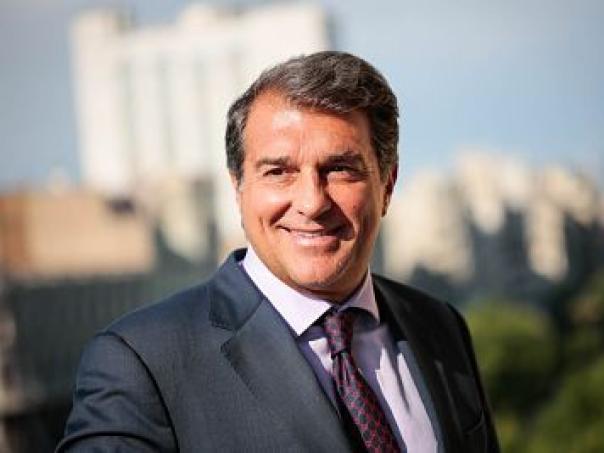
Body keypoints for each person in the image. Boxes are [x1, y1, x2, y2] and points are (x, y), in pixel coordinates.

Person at [57, 51, 499, 452]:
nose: (312, 202)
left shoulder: (440, 326)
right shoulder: (141, 362)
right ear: (238, 188)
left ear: (387, 184)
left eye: (340, 169)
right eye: (278, 172)